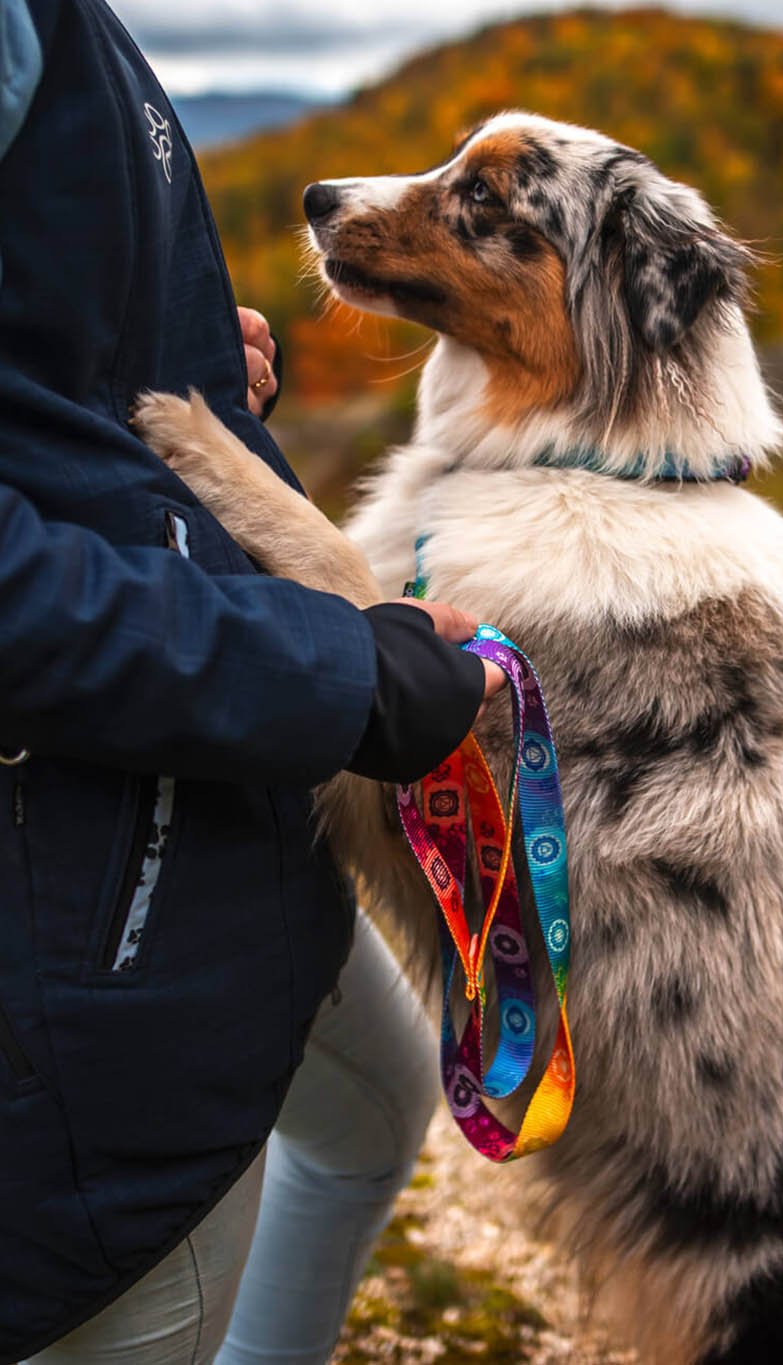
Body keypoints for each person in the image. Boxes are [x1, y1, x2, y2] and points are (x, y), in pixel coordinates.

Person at [0, 1, 502, 1360]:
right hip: (90, 870)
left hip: (206, 804)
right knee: (142, 1283)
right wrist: (343, 673)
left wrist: (128, 369)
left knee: (371, 1110)